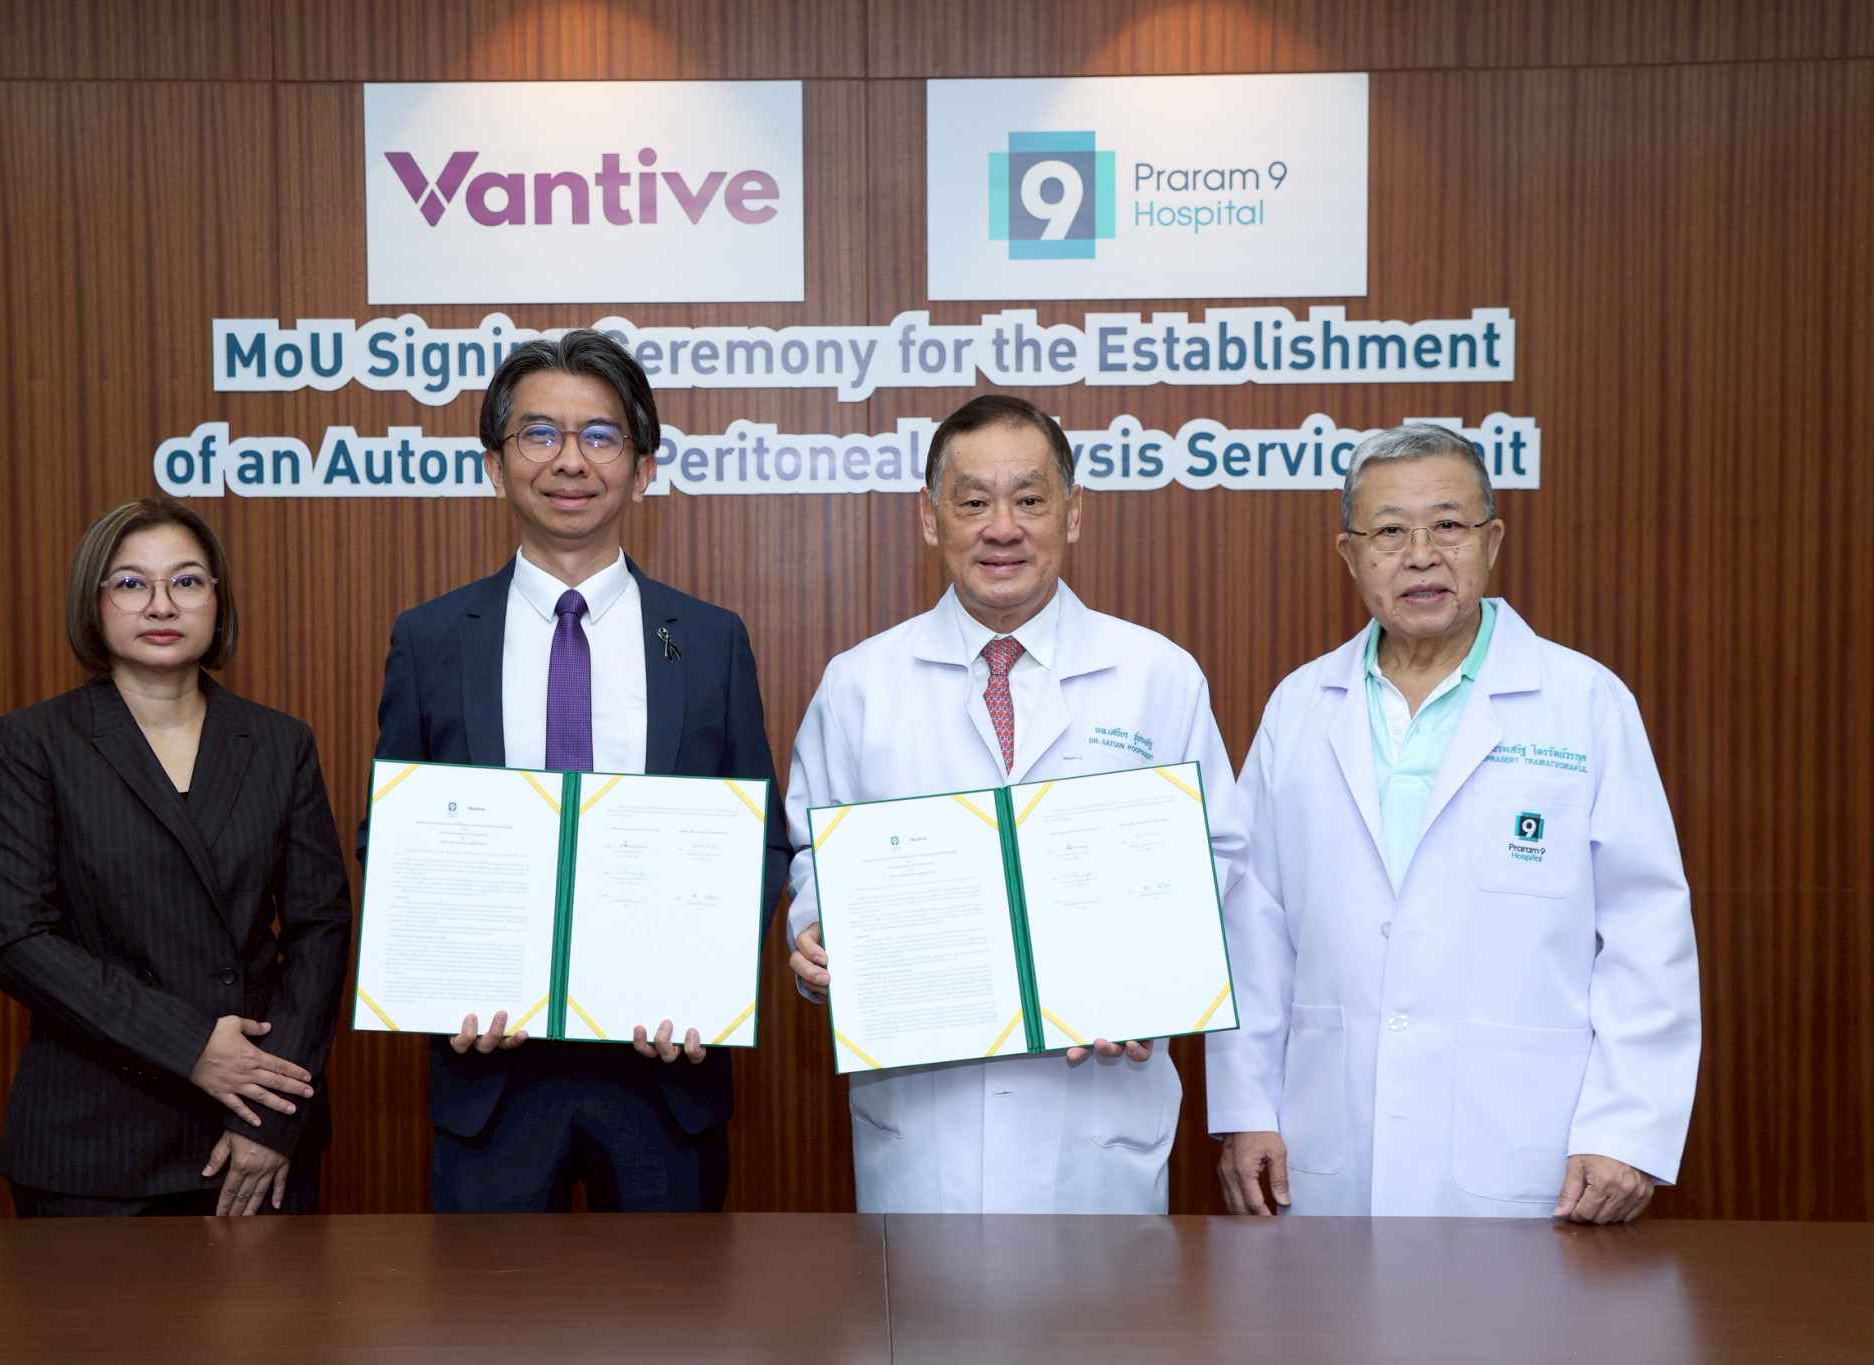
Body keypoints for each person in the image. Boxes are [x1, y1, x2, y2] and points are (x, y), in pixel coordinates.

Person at [1206, 423, 1701, 1221]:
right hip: (1329, 1141)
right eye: (1389, 532)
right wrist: (1247, 1106)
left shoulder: (1584, 702)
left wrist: (1628, 1127)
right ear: (1349, 554)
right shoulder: (1300, 707)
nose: (1421, 555)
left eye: (1447, 525)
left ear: (1491, 541)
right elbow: (1252, 926)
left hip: (1530, 1146)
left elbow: (1647, 929)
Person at [783, 393, 1252, 1213]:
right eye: (973, 502)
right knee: (923, 1300)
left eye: (1030, 499)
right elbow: (816, 855)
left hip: (1099, 1111)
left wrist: (1153, 973)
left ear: (1073, 513)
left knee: (1100, 1300)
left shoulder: (1157, 675)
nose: (1003, 528)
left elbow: (1219, 860)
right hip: (923, 1124)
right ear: (930, 518)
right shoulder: (859, 684)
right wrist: (818, 936)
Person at [365, 328, 791, 1213]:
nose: (570, 460)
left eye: (600, 436)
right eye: (539, 433)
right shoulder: (431, 639)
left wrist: (703, 988)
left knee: (675, 1298)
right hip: (491, 1072)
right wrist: (444, 983)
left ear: (642, 469)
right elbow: (394, 839)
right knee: (489, 1303)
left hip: (665, 1070)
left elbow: (760, 841)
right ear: (495, 465)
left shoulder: (711, 641)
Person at [0, 497, 353, 1217]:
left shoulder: (280, 743)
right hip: (92, 1139)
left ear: (217, 600)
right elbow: (13, 937)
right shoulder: (34, 742)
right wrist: (191, 1045)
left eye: (186, 580)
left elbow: (320, 931)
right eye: (130, 583)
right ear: (94, 604)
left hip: (255, 1127)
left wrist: (272, 1115)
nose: (160, 604)